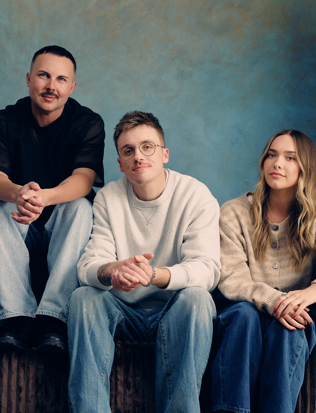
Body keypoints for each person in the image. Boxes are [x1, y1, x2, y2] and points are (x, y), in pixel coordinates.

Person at [211, 129, 316, 413]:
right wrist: (275, 300)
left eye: (290, 158)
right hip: (243, 314)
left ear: (305, 168)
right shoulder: (233, 213)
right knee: (244, 315)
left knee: (291, 324)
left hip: (293, 318)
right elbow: (232, 278)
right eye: (272, 155)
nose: (277, 163)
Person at [68, 111, 221, 413]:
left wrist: (154, 275)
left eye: (147, 147)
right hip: (122, 311)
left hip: (173, 309)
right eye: (128, 151)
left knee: (198, 298)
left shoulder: (196, 195)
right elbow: (88, 265)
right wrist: (112, 270)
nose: (138, 156)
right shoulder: (108, 197)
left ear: (165, 154)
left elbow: (207, 270)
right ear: (120, 164)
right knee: (83, 297)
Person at [0, 45, 105, 353]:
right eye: (43, 76)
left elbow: (84, 178)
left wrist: (44, 197)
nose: (51, 86)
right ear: (28, 79)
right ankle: (16, 319)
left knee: (80, 206)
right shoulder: (5, 120)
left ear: (72, 87)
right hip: (18, 225)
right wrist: (18, 193)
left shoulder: (87, 122)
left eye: (61, 79)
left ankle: (54, 320)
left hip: (64, 229)